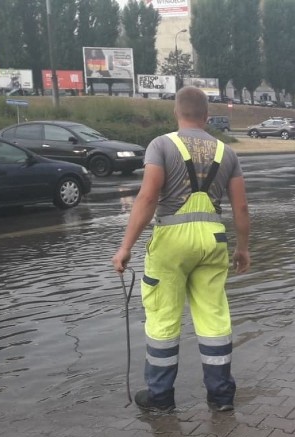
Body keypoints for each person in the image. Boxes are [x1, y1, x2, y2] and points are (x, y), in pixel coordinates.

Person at [111, 86, 251, 413]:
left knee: (163, 319)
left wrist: (125, 248)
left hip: (171, 241)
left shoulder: (161, 145)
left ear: (176, 112)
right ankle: (221, 397)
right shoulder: (227, 152)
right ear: (206, 116)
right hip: (213, 241)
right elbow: (241, 208)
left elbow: (147, 198)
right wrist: (243, 248)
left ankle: (160, 399)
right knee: (213, 317)